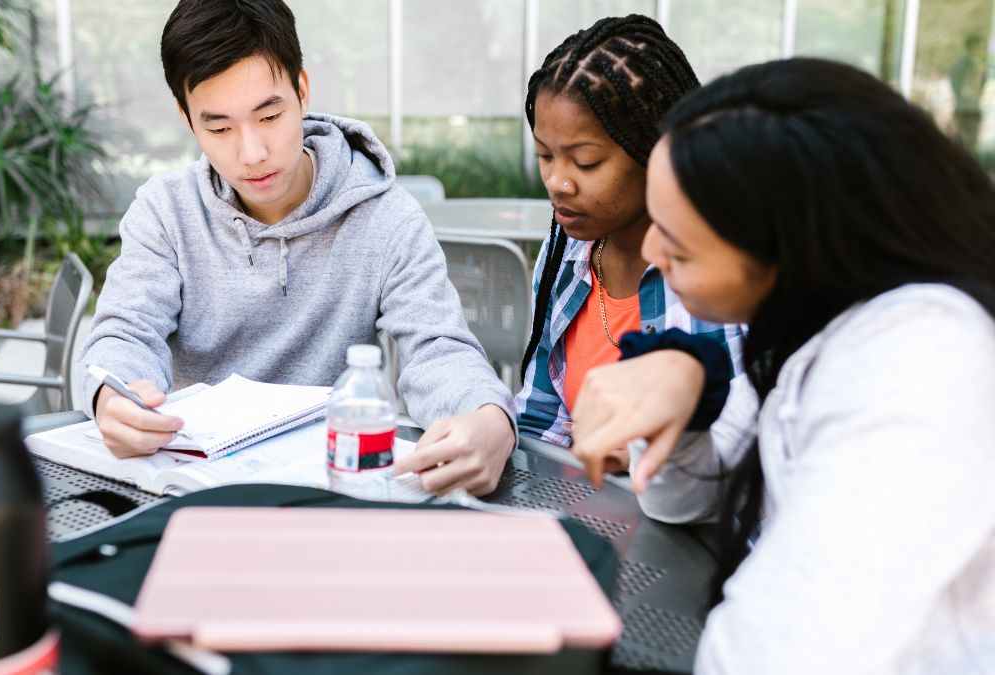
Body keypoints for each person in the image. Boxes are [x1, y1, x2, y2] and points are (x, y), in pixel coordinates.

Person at [571, 58, 995, 674]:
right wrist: (688, 389)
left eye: (678, 243)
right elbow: (682, 500)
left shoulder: (922, 365)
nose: (655, 253)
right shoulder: (813, 327)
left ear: (795, 249)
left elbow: (777, 652)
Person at [78, 0, 515, 496]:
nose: (251, 153)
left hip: (332, 484)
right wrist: (113, 399)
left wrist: (488, 417)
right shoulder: (165, 211)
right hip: (195, 487)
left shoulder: (386, 217)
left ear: (302, 91)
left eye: (269, 116)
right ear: (187, 119)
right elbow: (124, 334)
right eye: (218, 128)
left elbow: (437, 348)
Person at [514, 15, 745, 463]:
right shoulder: (567, 250)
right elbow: (540, 421)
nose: (557, 182)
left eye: (585, 162)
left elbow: (758, 441)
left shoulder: (727, 269)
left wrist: (652, 449)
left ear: (657, 150)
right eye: (545, 155)